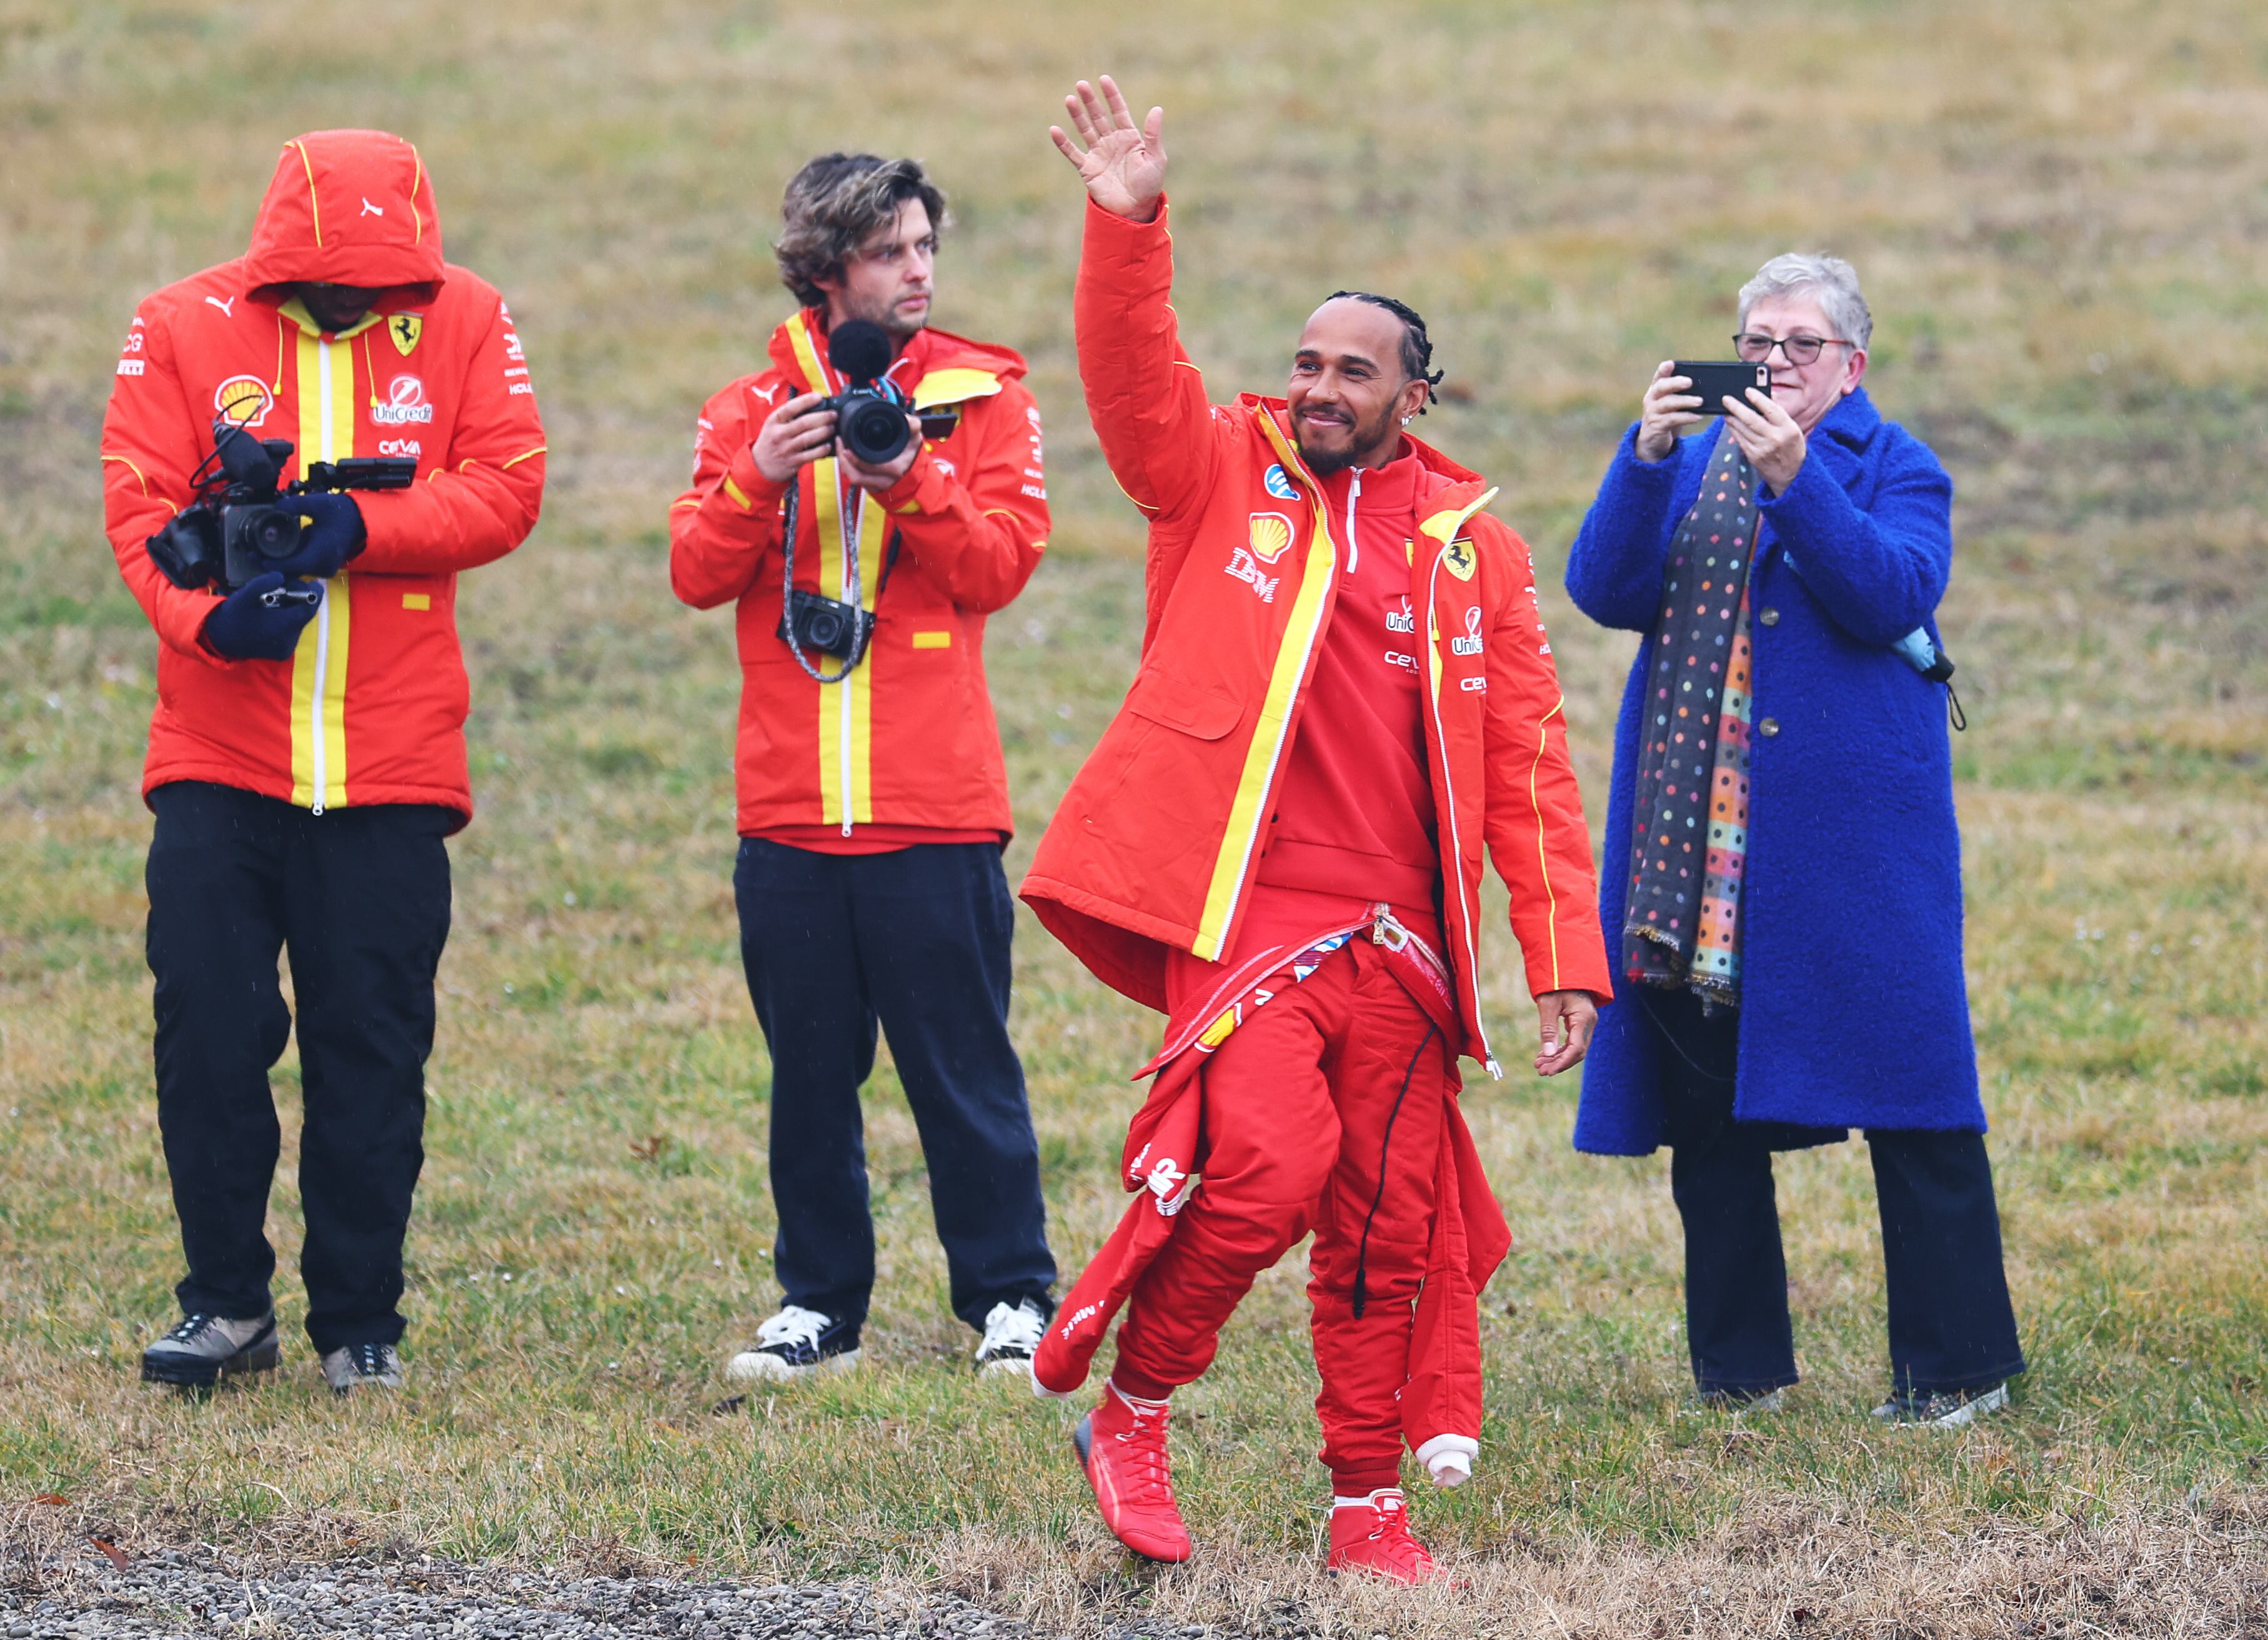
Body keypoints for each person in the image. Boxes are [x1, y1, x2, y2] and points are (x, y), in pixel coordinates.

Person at [1022, 79, 1613, 1583]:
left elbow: (1532, 759)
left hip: (1407, 944)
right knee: (1265, 1175)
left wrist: (1562, 954)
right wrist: (1127, 218)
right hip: (1253, 912)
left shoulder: (1474, 545)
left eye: (1355, 370)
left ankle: (1368, 1506)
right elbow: (1130, 374)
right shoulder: (1222, 470)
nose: (1320, 387)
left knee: (1379, 1228)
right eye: (1306, 362)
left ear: (1417, 395)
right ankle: (1137, 1407)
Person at [100, 129, 547, 1395]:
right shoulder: (179, 326)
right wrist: (211, 617)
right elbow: (138, 507)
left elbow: (510, 486)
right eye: (328, 282)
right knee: (208, 1032)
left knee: (371, 1045)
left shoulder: (468, 320)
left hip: (392, 767)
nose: (355, 302)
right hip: (217, 753)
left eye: (381, 283)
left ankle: (362, 1321)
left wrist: (357, 522)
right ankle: (224, 1304)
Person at [1563, 252, 2024, 1426]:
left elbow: (1889, 595)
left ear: (1850, 363)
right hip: (1691, 834)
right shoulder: (1693, 456)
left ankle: (1960, 1368)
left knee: (1915, 1090)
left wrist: (1797, 480)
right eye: (1754, 341)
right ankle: (1741, 1374)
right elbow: (1603, 590)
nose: (1770, 363)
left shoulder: (1896, 463)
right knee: (1703, 1106)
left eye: (1798, 346)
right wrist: (1644, 458)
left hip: (1851, 842)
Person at [669, 153, 1058, 1384]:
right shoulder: (749, 408)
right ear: (828, 266)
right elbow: (692, 569)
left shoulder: (986, 396)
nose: (921, 270)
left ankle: (1010, 1296)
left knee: (964, 1068)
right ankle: (818, 1303)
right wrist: (760, 478)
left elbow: (1000, 566)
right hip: (789, 809)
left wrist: (910, 472)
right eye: (893, 251)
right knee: (807, 1079)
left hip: (935, 809)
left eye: (928, 246)